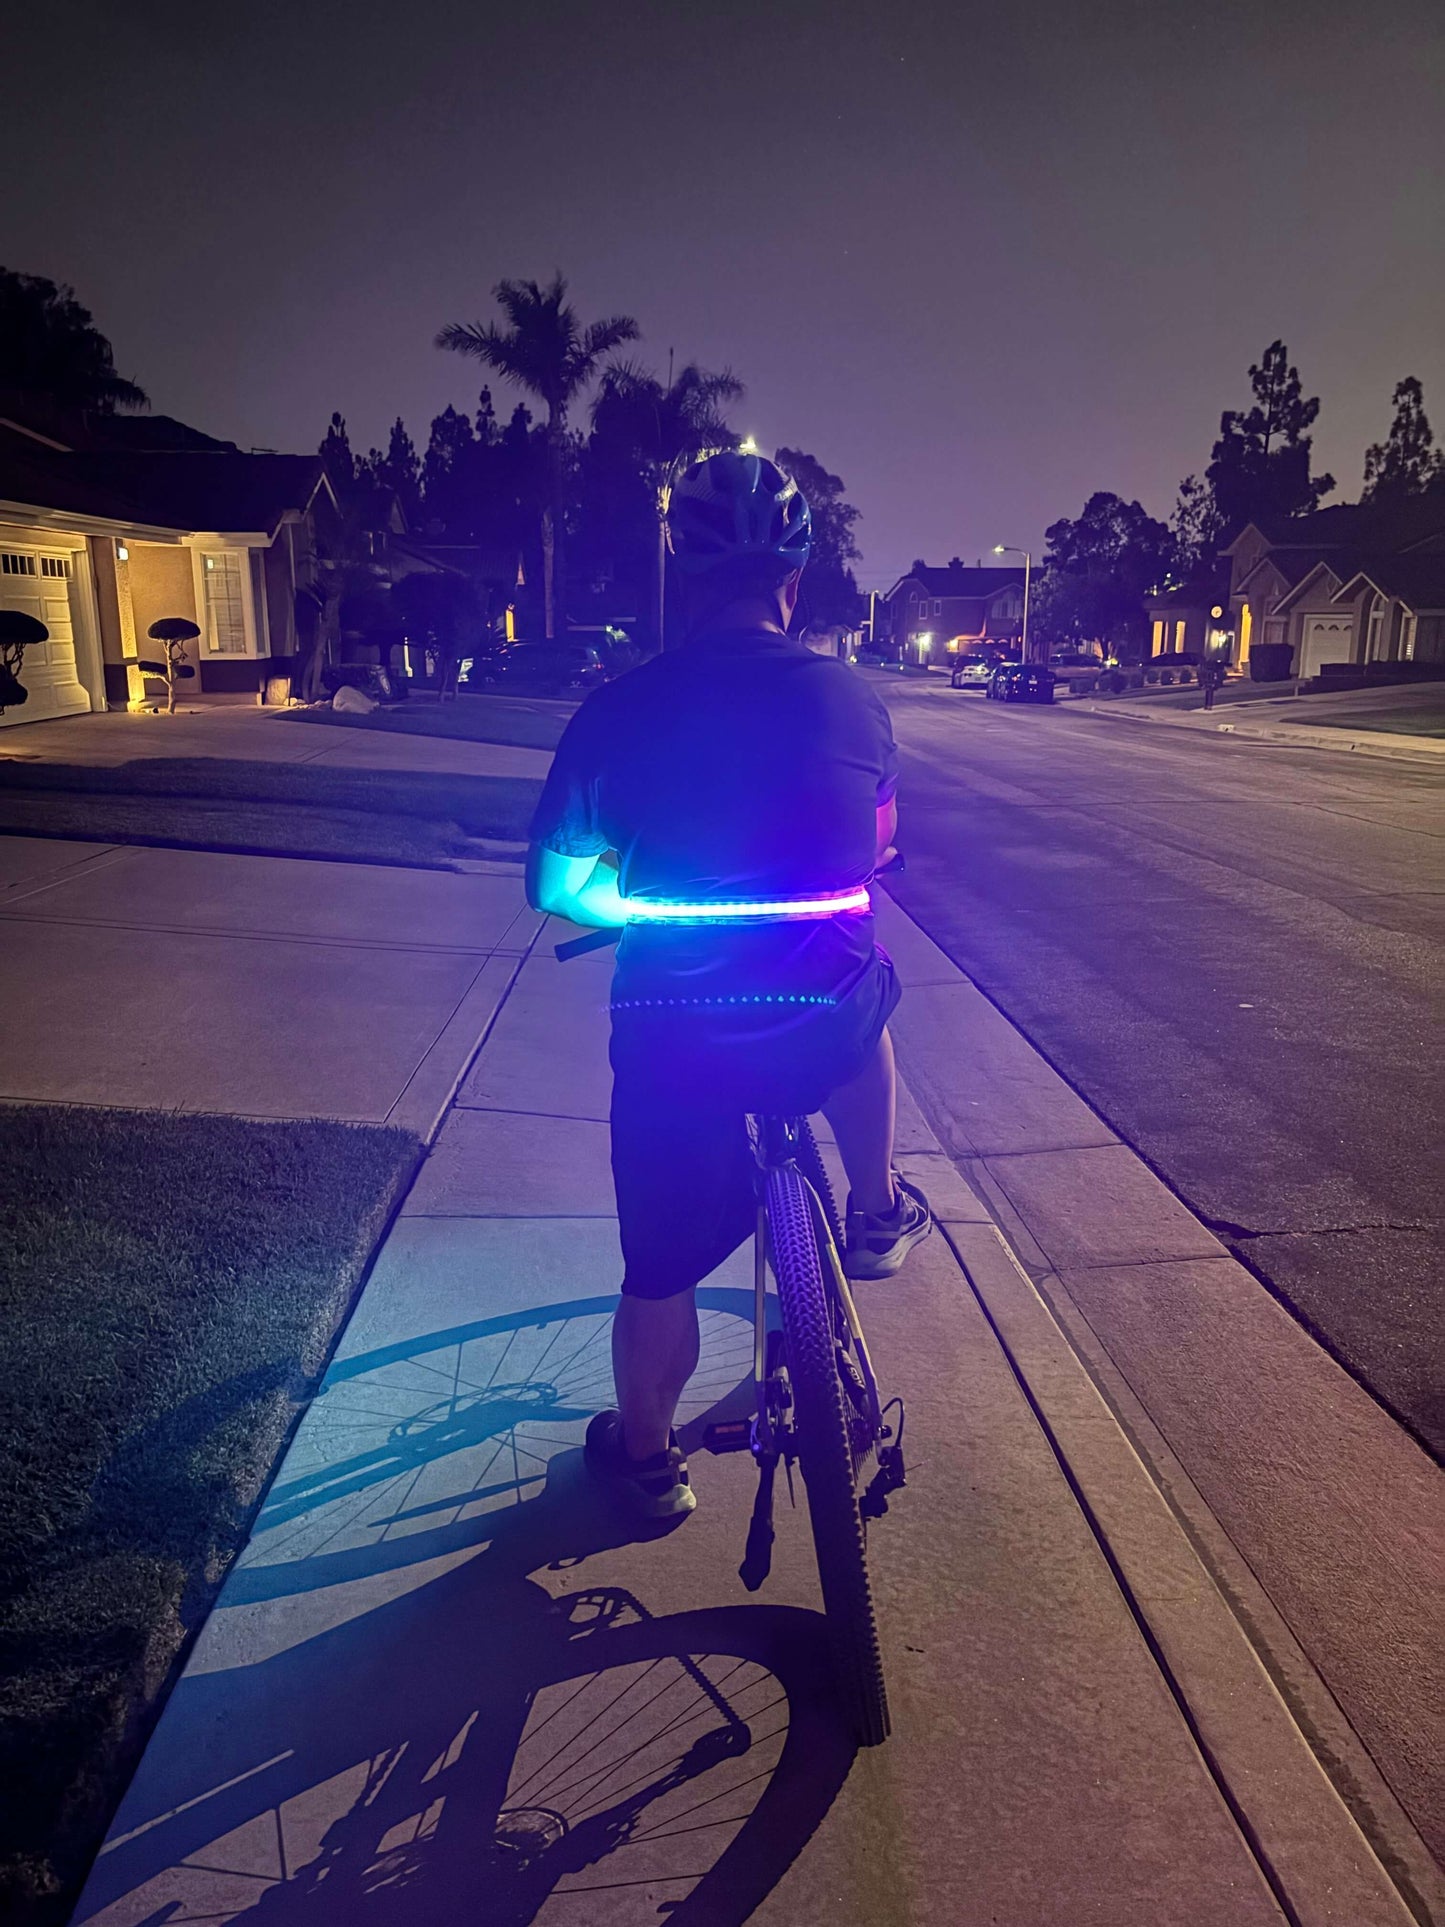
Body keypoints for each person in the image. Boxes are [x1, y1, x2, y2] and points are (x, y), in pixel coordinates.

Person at [525, 448, 932, 1521]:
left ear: (681, 574)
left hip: (675, 1032)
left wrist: (635, 902)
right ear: (792, 583)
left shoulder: (617, 710)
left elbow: (556, 887)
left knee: (657, 1267)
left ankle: (650, 1464)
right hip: (814, 1014)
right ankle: (875, 1209)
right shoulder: (855, 701)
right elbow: (880, 847)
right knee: (866, 989)